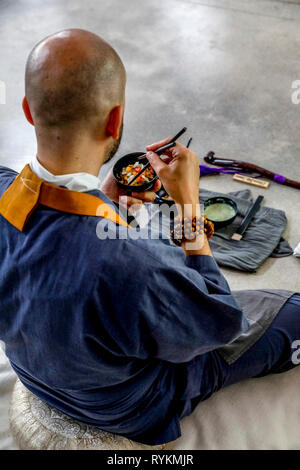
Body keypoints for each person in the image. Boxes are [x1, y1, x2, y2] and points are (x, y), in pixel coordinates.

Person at [0, 29, 299, 446]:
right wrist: (188, 203)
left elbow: (53, 247)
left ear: (29, 111)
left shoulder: (3, 190)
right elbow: (221, 319)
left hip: (42, 370)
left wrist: (103, 203)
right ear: (115, 120)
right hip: (132, 406)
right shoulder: (137, 263)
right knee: (293, 311)